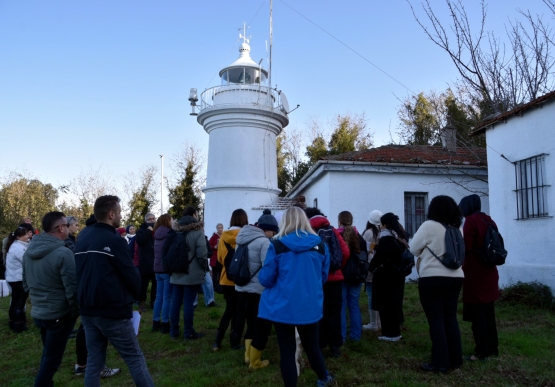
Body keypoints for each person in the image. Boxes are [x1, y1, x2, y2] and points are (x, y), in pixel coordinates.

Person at [75, 195, 154, 386]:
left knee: (94, 360)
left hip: (87, 308)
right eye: (119, 212)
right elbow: (132, 276)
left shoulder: (83, 236)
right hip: (112, 310)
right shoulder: (115, 240)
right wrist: (135, 297)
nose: (120, 215)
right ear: (111, 214)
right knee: (134, 359)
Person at [259, 207, 335, 387]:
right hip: (309, 305)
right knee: (312, 347)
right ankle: (323, 377)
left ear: (284, 221)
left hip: (282, 306)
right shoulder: (320, 245)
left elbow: (266, 279)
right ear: (305, 221)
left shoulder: (277, 245)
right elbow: (323, 276)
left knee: (287, 351)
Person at [22, 211, 79, 386]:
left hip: (39, 312)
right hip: (58, 314)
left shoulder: (29, 251)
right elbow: (72, 288)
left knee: (48, 356)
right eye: (67, 226)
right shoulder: (63, 253)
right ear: (61, 228)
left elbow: (25, 283)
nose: (69, 229)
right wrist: (75, 311)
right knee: (51, 361)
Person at [410, 195, 464, 373]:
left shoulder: (428, 226)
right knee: (450, 318)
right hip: (456, 276)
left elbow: (413, 249)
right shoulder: (457, 228)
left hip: (432, 277)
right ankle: (455, 359)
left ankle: (440, 362)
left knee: (436, 320)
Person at [304, 207, 350, 358]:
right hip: (335, 279)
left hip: (316, 280)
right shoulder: (332, 230)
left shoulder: (307, 231)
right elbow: (345, 252)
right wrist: (336, 268)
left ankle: (320, 345)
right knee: (334, 313)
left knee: (318, 313)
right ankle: (335, 346)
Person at [459, 194, 500, 361]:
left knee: (478, 315)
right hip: (490, 271)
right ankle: (492, 348)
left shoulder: (471, 221)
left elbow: (466, 246)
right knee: (489, 312)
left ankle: (481, 351)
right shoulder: (488, 219)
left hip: (476, 273)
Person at [235, 209, 277, 369]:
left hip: (241, 287)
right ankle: (255, 361)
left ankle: (248, 356)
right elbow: (268, 267)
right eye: (273, 232)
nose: (273, 235)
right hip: (257, 290)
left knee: (250, 323)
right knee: (262, 325)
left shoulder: (242, 238)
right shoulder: (264, 242)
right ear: (267, 229)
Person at [169, 206, 207, 340]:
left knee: (175, 303)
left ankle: (173, 331)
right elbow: (202, 254)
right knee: (188, 303)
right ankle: (188, 332)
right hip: (191, 272)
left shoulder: (174, 231)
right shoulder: (198, 232)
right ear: (193, 215)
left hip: (176, 271)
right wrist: (205, 267)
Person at [213, 209, 249, 351]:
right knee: (240, 311)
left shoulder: (223, 237)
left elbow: (221, 258)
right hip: (242, 278)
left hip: (226, 278)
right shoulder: (246, 236)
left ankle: (217, 341)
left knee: (229, 310)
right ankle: (235, 341)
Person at [369, 212, 407, 342]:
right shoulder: (399, 237)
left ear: (384, 224)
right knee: (395, 304)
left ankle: (390, 334)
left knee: (386, 305)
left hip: (386, 276)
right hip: (397, 275)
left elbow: (379, 257)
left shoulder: (386, 238)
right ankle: (395, 332)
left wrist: (369, 268)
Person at [337, 211, 366, 342]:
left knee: (341, 306)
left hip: (342, 275)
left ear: (339, 221)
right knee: (354, 305)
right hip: (356, 275)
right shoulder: (359, 237)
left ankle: (341, 337)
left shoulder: (337, 236)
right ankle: (356, 336)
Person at [5, 223, 33, 332]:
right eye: (25, 235)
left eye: (27, 234)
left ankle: (13, 321)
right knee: (19, 302)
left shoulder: (17, 245)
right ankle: (18, 324)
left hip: (13, 278)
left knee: (16, 301)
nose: (27, 236)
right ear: (18, 237)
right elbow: (27, 261)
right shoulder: (18, 248)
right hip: (18, 279)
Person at [152, 214, 173, 334]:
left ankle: (155, 322)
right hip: (165, 269)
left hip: (157, 268)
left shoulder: (156, 234)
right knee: (167, 298)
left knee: (158, 297)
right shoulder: (169, 234)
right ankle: (165, 323)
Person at [361, 210, 382, 331]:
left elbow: (364, 249)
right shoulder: (383, 232)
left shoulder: (368, 233)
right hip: (381, 267)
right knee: (379, 295)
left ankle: (373, 323)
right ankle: (379, 322)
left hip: (370, 267)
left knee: (371, 294)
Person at [135, 213, 157, 311]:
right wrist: (148, 231)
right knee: (143, 284)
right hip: (145, 262)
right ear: (146, 221)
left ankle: (153, 301)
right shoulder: (141, 230)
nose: (152, 221)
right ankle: (142, 302)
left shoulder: (158, 230)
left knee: (156, 284)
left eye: (153, 219)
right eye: (149, 219)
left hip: (155, 261)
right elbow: (140, 240)